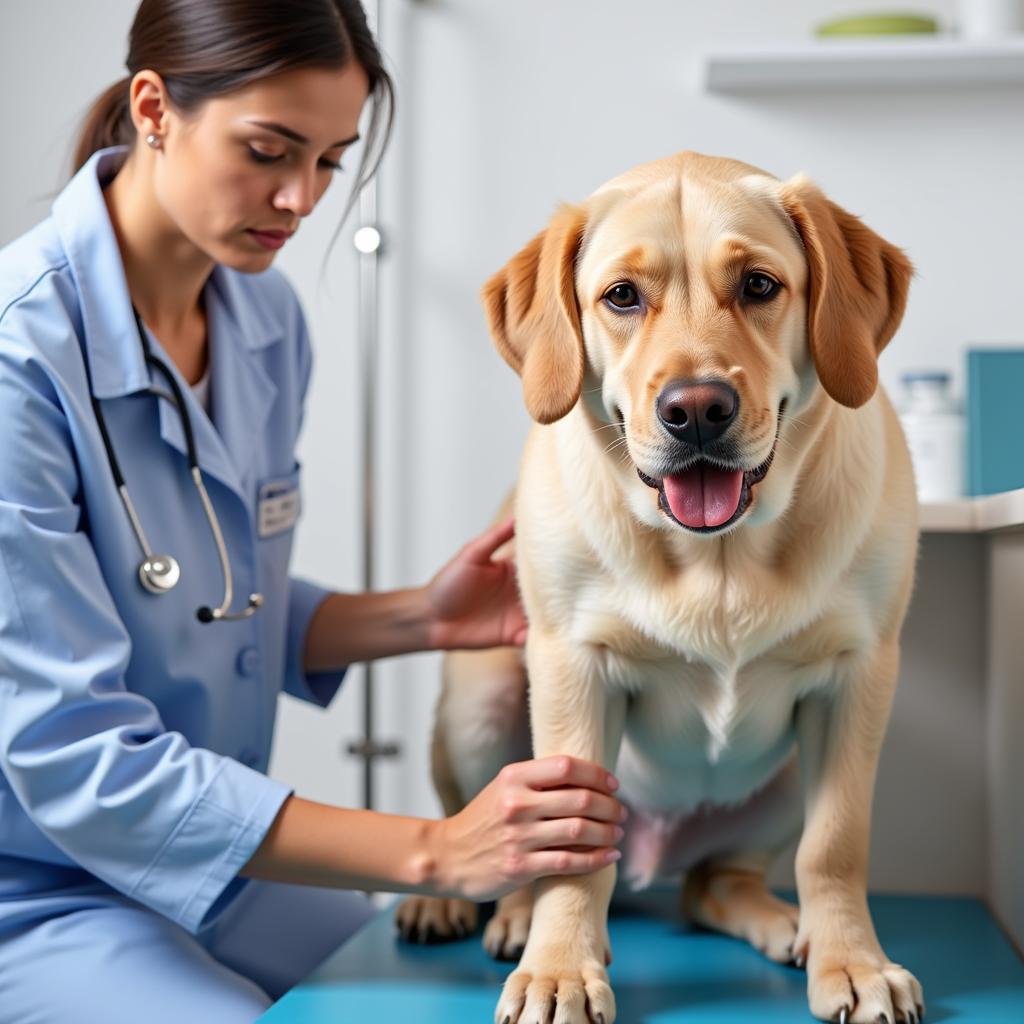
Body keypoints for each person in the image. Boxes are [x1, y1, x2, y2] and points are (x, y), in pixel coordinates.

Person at [0, 2, 627, 1020]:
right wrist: (437, 847)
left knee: (437, 1005)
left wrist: (422, 615)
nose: (299, 199)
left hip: (208, 858)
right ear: (154, 107)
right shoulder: (18, 358)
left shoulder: (263, 317)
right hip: (37, 884)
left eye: (331, 160)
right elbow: (74, 755)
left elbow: (205, 605)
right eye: (268, 150)